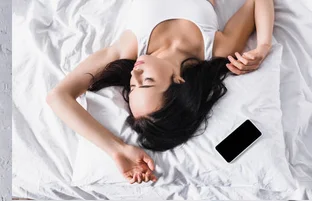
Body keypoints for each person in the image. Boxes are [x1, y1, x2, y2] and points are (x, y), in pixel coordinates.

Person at [46, 0, 275, 184]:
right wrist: (263, 46)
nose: (133, 74)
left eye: (132, 86)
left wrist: (118, 149)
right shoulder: (217, 48)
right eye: (146, 81)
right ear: (178, 80)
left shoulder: (130, 48)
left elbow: (58, 96)